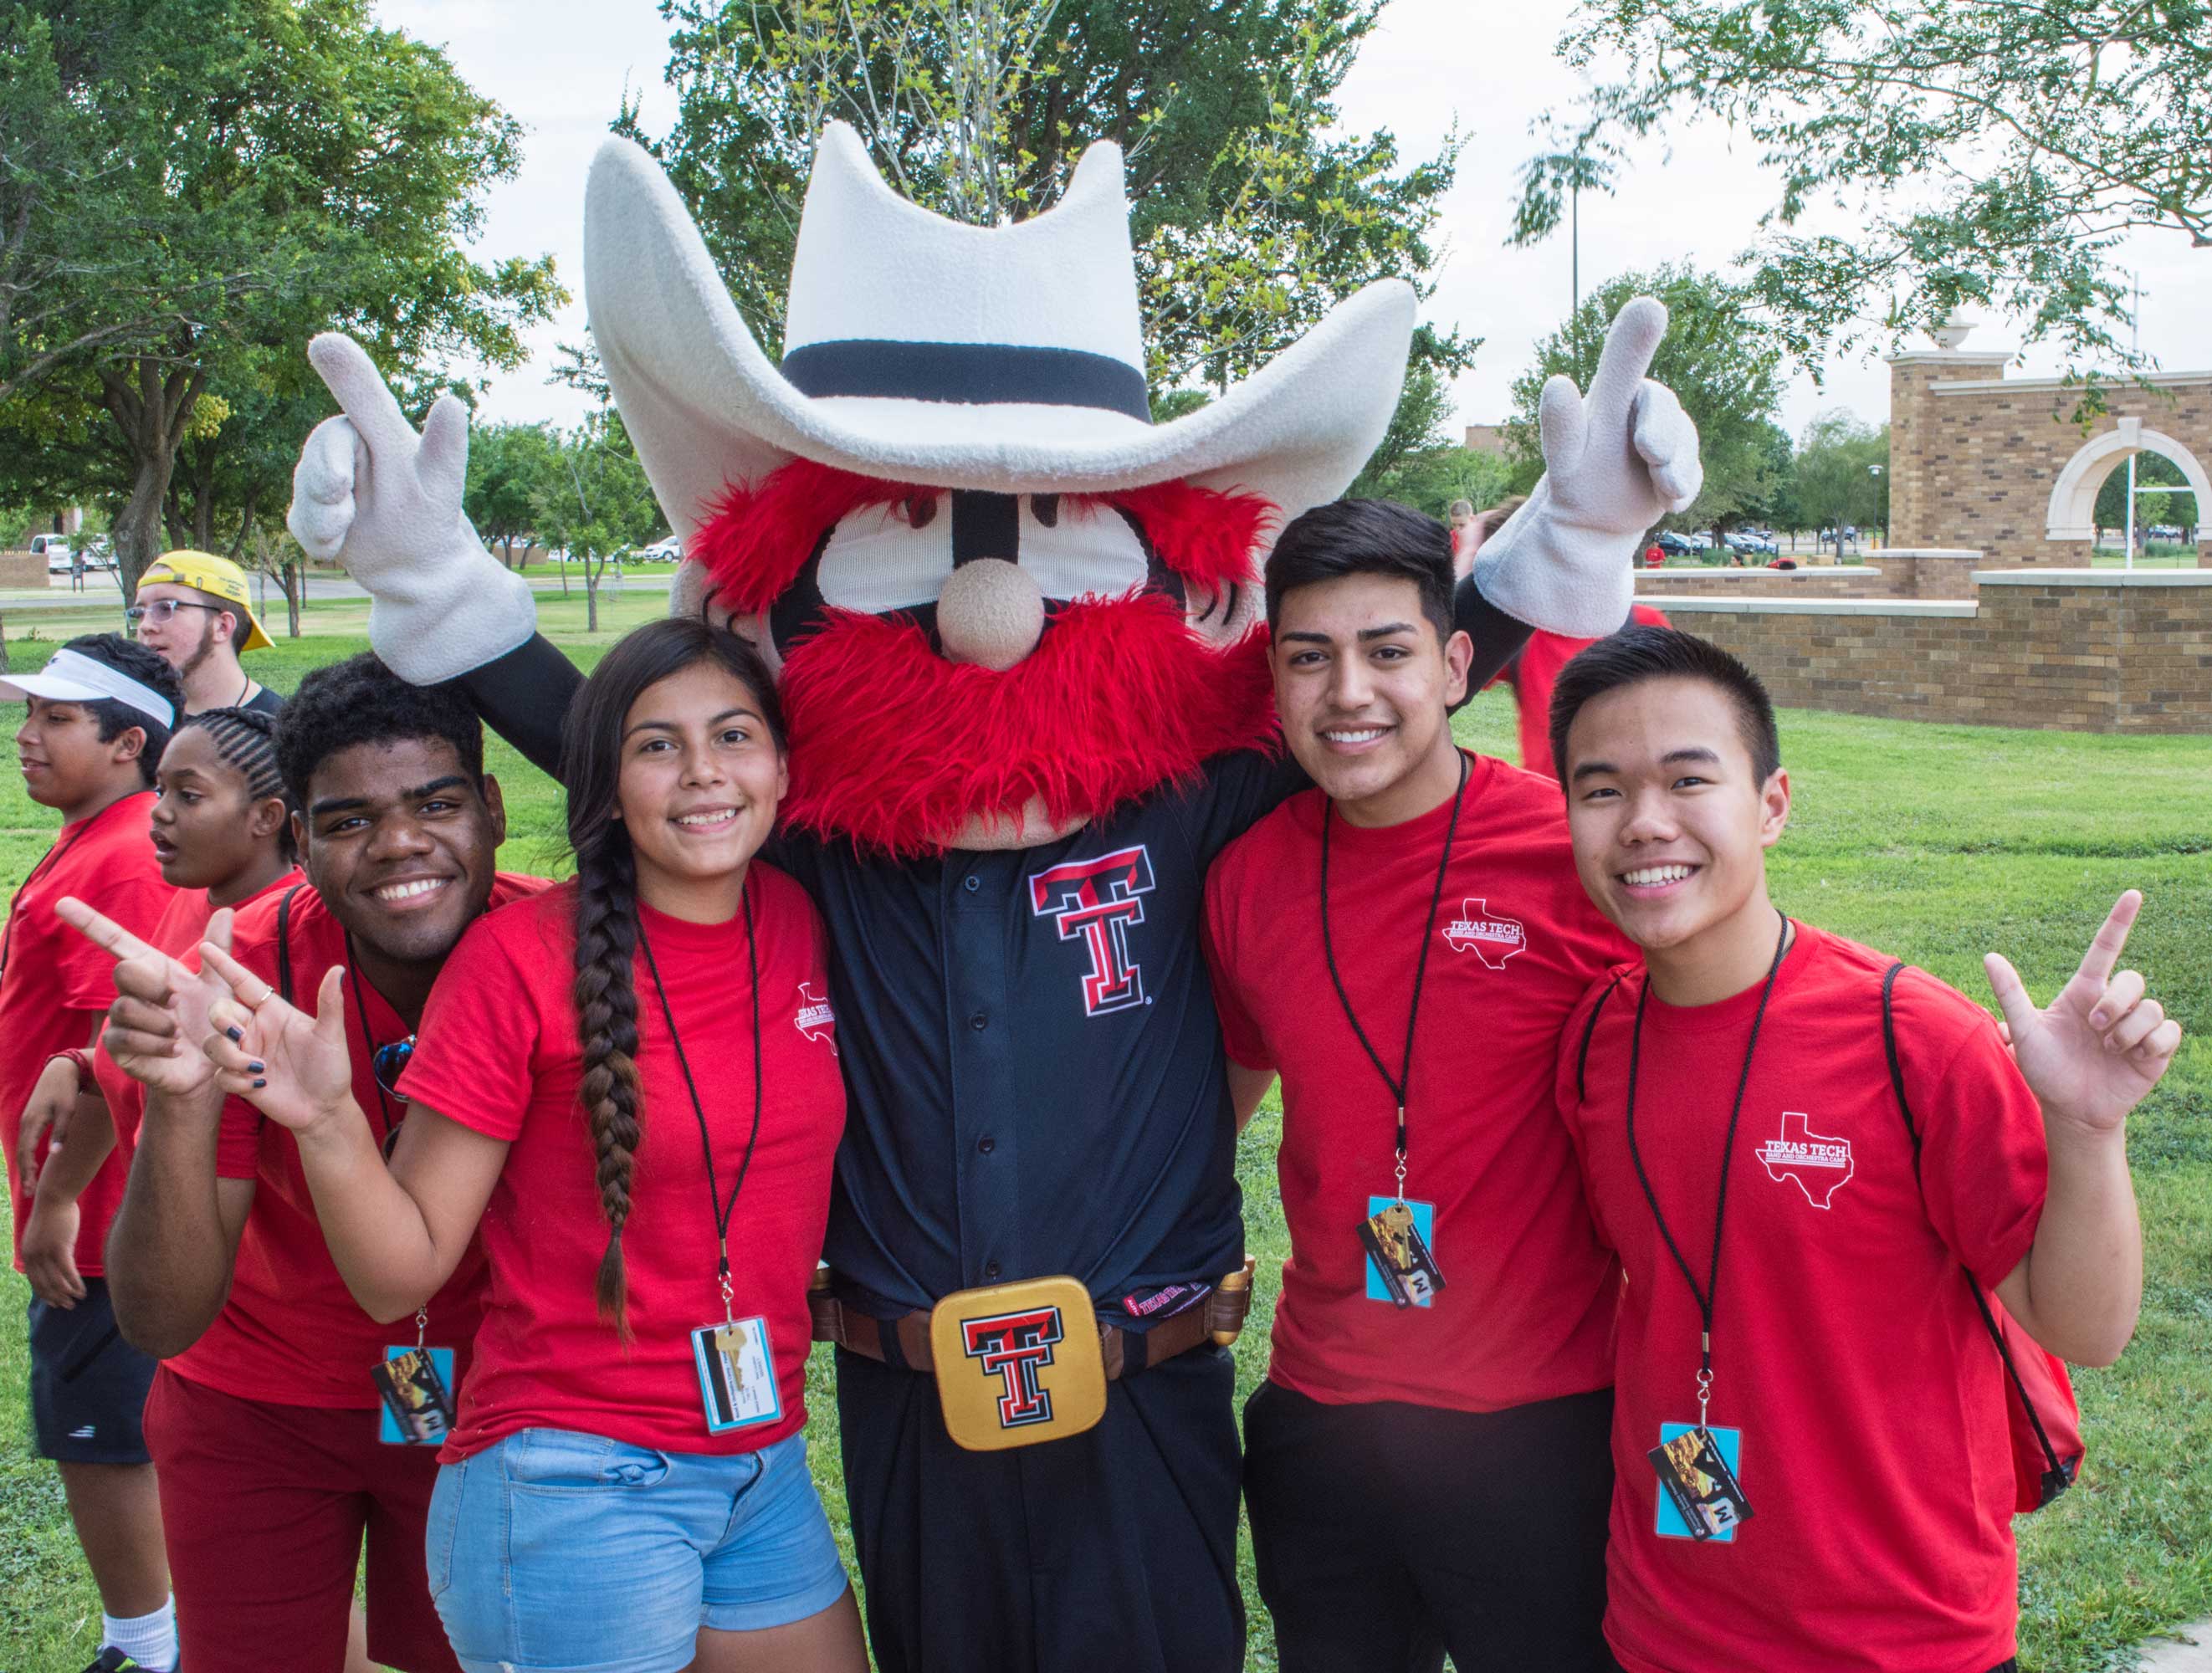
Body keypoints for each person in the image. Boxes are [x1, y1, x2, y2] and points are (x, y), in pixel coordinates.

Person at [192, 619, 867, 1673]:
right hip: (571, 1475)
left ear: (782, 764)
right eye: (655, 744)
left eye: (733, 735)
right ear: (604, 778)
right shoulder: (516, 963)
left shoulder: (797, 916)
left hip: (756, 1456)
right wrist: (326, 1122)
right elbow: (400, 1271)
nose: (702, 773)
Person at [1547, 627, 2177, 1673]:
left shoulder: (1910, 1037)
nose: (1644, 821)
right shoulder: (1589, 1046)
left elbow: (2085, 1326)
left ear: (1772, 803)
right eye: (1601, 790)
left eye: (1688, 778)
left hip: (1904, 1633)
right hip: (1663, 1627)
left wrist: (2086, 1128)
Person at [1202, 500, 1632, 1672]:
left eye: (1387, 652)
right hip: (1324, 1419)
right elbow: (1218, 1114)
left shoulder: (1576, 856)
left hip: (1544, 1422)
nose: (1349, 693)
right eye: (1310, 657)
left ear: (1452, 666)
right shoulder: (1245, 880)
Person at [72, 654, 539, 1673]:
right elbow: (159, 1317)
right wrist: (181, 1100)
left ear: (493, 808)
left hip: (500, 1400)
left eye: (437, 801)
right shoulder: (242, 974)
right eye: (347, 819)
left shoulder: (556, 947)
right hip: (257, 1401)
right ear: (299, 838)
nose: (399, 843)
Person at [2, 636, 182, 1673]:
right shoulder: (96, 835)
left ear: (128, 744)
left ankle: (147, 1646)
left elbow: (118, 1051)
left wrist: (56, 1199)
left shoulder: (119, 858)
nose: (26, 736)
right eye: (27, 715)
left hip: (106, 1222)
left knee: (104, 1438)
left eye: (56, 720)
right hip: (94, 1210)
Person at [127, 550, 283, 716]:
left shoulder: (284, 730)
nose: (145, 626)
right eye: (139, 613)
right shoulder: (139, 721)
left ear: (222, 627)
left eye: (165, 608)